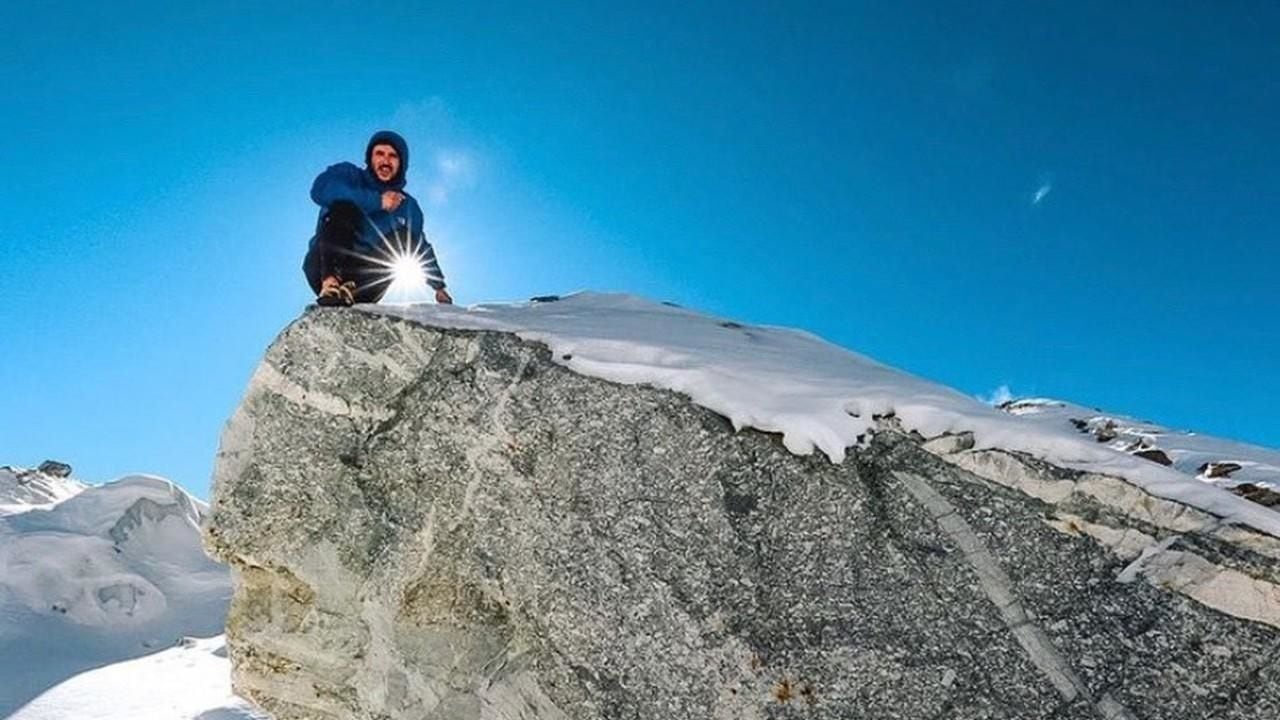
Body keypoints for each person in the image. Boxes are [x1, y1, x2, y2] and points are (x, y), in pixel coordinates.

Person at [302, 130, 453, 306]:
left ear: (402, 163)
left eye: (393, 156)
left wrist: (439, 287)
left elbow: (419, 246)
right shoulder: (349, 175)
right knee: (344, 207)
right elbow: (321, 191)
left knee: (403, 236)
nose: (386, 161)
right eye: (379, 154)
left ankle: (351, 291)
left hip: (367, 282)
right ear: (370, 158)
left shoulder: (408, 206)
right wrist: (377, 201)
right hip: (322, 267)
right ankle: (331, 285)